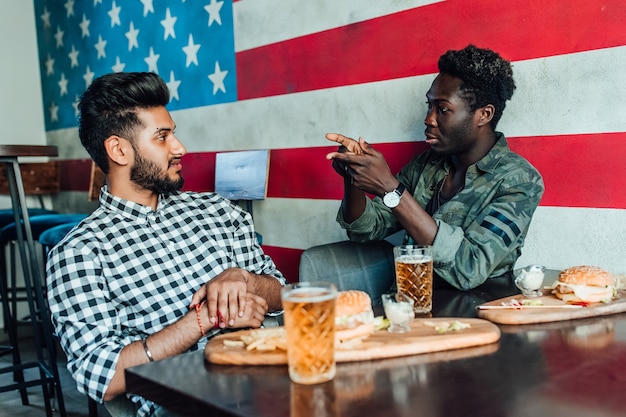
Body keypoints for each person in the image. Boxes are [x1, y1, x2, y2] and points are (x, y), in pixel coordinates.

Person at [46, 72, 286, 417]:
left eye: (173, 133)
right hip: (188, 404)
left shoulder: (218, 210)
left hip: (272, 374)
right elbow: (102, 376)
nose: (179, 148)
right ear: (118, 150)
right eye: (162, 137)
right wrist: (203, 320)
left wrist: (246, 281)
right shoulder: (80, 254)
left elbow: (284, 296)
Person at [325, 44, 544, 291]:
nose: (428, 119)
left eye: (443, 109)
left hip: (474, 318)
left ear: (484, 115)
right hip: (408, 308)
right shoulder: (425, 165)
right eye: (429, 106)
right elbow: (367, 230)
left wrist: (391, 189)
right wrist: (353, 173)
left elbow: (469, 266)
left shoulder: (519, 180)